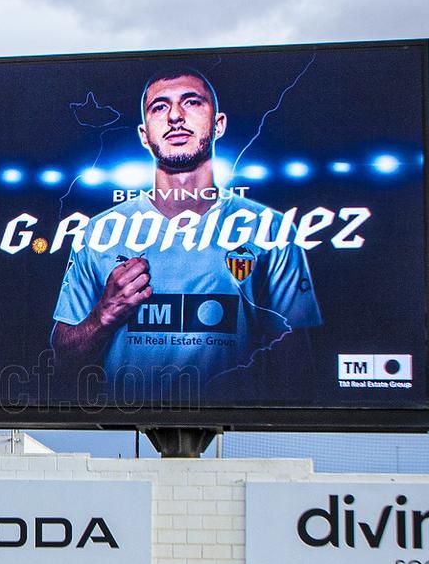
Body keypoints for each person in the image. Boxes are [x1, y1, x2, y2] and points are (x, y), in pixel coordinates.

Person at [51, 71, 321, 401]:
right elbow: (63, 357)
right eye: (159, 108)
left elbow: (296, 367)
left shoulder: (269, 229)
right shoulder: (100, 232)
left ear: (219, 124)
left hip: (232, 432)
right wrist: (102, 316)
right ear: (143, 135)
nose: (176, 116)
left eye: (191, 102)